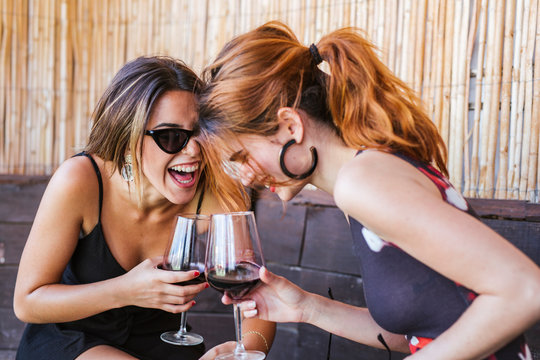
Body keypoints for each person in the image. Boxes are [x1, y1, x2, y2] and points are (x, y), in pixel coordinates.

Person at [197, 21, 540, 359]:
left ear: (290, 126)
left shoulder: (361, 183)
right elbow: (429, 332)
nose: (243, 177)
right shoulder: (366, 174)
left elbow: (525, 289)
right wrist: (307, 307)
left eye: (243, 156)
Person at [13, 56, 275, 360]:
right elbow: (27, 302)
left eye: (200, 133)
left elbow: (258, 296)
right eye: (171, 136)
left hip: (164, 349)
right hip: (72, 342)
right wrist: (126, 289)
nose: (192, 150)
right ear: (128, 137)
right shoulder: (81, 181)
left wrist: (248, 350)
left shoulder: (220, 196)